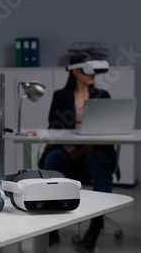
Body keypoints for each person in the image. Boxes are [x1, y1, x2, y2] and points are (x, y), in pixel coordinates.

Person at [39, 51, 116, 252]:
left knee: (100, 163)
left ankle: (95, 227)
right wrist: (67, 146)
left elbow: (108, 127)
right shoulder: (60, 96)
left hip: (93, 151)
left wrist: (94, 145)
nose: (92, 75)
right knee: (53, 162)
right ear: (74, 72)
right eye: (86, 70)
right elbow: (54, 127)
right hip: (66, 150)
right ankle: (51, 227)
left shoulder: (102, 95)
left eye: (94, 71)